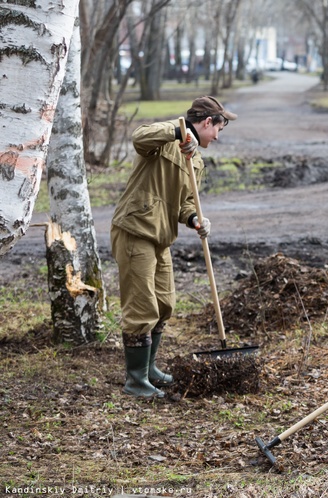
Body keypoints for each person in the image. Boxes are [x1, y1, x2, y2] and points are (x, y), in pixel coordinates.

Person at [110, 96, 237, 398]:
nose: (217, 137)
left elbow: (186, 203)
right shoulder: (165, 139)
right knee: (142, 307)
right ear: (207, 122)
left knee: (165, 303)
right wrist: (180, 133)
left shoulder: (197, 161)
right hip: (135, 231)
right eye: (218, 129)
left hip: (160, 237)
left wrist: (195, 219)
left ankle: (150, 369)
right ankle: (135, 381)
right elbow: (139, 137)